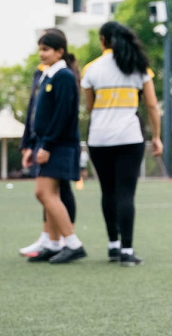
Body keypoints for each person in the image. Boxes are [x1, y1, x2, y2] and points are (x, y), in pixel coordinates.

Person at [80, 21, 164, 267]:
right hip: (129, 138)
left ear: (103, 40)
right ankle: (127, 251)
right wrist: (156, 137)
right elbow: (151, 105)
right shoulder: (138, 67)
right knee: (126, 193)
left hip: (99, 138)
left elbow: (89, 106)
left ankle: (113, 245)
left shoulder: (91, 69)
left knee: (108, 191)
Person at [25, 29, 85, 264]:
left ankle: (72, 243)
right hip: (48, 143)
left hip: (59, 145)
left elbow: (63, 114)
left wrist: (47, 145)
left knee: (44, 193)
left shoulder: (64, 76)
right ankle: (51, 244)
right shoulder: (49, 75)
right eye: (40, 49)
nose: (41, 54)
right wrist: (32, 144)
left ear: (60, 51)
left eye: (46, 49)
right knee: (50, 193)